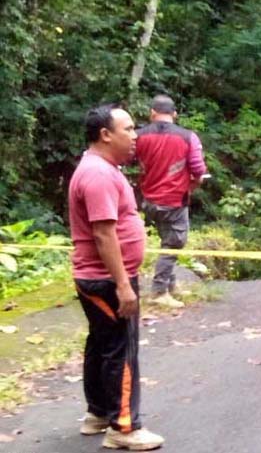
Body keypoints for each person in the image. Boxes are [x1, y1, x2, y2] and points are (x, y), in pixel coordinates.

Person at [69, 104, 164, 450]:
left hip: (100, 276)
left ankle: (98, 413)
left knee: (102, 343)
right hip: (107, 280)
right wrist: (123, 285)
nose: (135, 135)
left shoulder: (100, 168)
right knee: (121, 351)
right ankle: (123, 427)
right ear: (106, 134)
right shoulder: (98, 175)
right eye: (128, 129)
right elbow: (104, 235)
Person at [135, 95, 207, 309]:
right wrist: (196, 182)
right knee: (175, 243)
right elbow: (199, 170)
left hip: (148, 199)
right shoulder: (187, 137)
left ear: (152, 113)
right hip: (174, 200)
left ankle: (170, 285)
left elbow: (125, 159)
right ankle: (159, 290)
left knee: (167, 240)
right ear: (174, 114)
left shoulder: (138, 136)